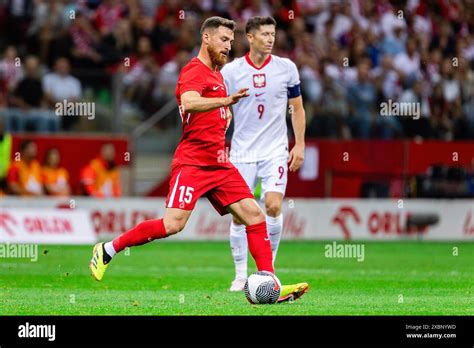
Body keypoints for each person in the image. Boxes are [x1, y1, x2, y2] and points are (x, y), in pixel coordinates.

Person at [89, 16, 308, 303]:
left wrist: (223, 115)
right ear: (206, 38)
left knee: (255, 216)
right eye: (223, 40)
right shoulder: (194, 71)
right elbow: (189, 102)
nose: (228, 46)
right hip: (192, 162)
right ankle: (107, 249)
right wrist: (225, 102)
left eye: (231, 41)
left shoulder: (218, 73)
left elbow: (208, 112)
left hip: (219, 163)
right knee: (172, 225)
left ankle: (270, 285)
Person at [221, 16, 306, 291]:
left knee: (272, 204)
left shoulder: (286, 69)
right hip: (242, 151)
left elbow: (297, 108)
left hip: (274, 150)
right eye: (265, 34)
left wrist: (300, 144)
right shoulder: (231, 72)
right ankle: (240, 275)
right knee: (239, 214)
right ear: (250, 37)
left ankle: (268, 270)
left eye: (273, 34)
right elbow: (221, 110)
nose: (270, 39)